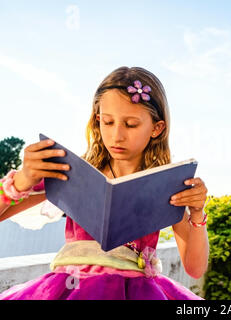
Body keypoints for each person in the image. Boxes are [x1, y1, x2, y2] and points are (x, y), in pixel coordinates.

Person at [0, 66, 209, 300]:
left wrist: (197, 213)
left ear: (157, 128)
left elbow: (195, 268)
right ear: (97, 120)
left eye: (130, 124)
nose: (116, 136)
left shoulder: (166, 187)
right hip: (69, 288)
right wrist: (21, 181)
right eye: (108, 122)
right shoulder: (72, 173)